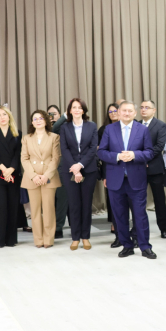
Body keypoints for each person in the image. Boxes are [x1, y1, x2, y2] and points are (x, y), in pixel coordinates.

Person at [98, 101, 157, 259]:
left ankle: (145, 247)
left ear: (135, 113)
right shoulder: (109, 129)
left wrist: (134, 155)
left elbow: (149, 152)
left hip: (136, 179)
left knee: (140, 215)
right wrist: (117, 156)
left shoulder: (142, 129)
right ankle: (127, 245)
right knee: (120, 215)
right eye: (124, 110)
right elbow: (101, 152)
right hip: (115, 180)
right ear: (118, 112)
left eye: (130, 111)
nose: (127, 113)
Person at [60, 98, 99, 250]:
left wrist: (80, 165)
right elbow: (64, 149)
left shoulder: (92, 125)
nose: (77, 110)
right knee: (74, 204)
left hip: (88, 170)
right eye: (74, 107)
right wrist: (75, 168)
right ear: (70, 110)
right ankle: (75, 237)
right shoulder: (65, 127)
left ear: (83, 110)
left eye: (79, 107)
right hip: (69, 170)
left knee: (86, 204)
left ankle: (85, 237)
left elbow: (93, 148)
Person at [21, 110, 62, 248]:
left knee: (48, 209)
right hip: (32, 177)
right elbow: (24, 158)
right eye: (35, 119)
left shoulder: (54, 137)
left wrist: (46, 176)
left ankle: (48, 239)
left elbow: (55, 158)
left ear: (46, 120)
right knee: (35, 210)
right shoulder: (26, 138)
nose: (38, 120)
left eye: (41, 118)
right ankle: (38, 240)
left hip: (48, 177)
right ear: (32, 122)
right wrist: (34, 176)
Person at [0, 105, 22, 248]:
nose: (2, 117)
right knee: (1, 208)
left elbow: (18, 154)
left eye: (4, 114)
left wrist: (11, 170)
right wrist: (4, 170)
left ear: (9, 116)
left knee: (13, 208)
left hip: (13, 175)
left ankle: (11, 239)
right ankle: (1, 239)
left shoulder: (18, 133)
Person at [140, 100, 166, 239]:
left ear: (154, 110)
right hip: (138, 168)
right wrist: (140, 160)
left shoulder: (160, 125)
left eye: (147, 107)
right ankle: (139, 229)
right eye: (142, 107)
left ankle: (163, 228)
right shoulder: (136, 124)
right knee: (138, 200)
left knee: (159, 200)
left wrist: (145, 159)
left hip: (155, 168)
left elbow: (159, 146)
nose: (144, 109)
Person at [99, 103, 121, 245]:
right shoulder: (104, 129)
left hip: (127, 169)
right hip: (110, 168)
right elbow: (101, 152)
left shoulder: (129, 128)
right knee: (113, 199)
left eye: (115, 110)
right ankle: (114, 224)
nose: (112, 113)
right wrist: (104, 175)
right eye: (110, 111)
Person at [47, 104, 69, 240]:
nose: (51, 116)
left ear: (60, 115)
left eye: (54, 113)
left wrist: (64, 117)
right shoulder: (44, 127)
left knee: (62, 199)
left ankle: (58, 228)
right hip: (46, 170)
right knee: (49, 201)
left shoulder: (64, 126)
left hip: (62, 168)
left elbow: (56, 129)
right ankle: (50, 226)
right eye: (49, 114)